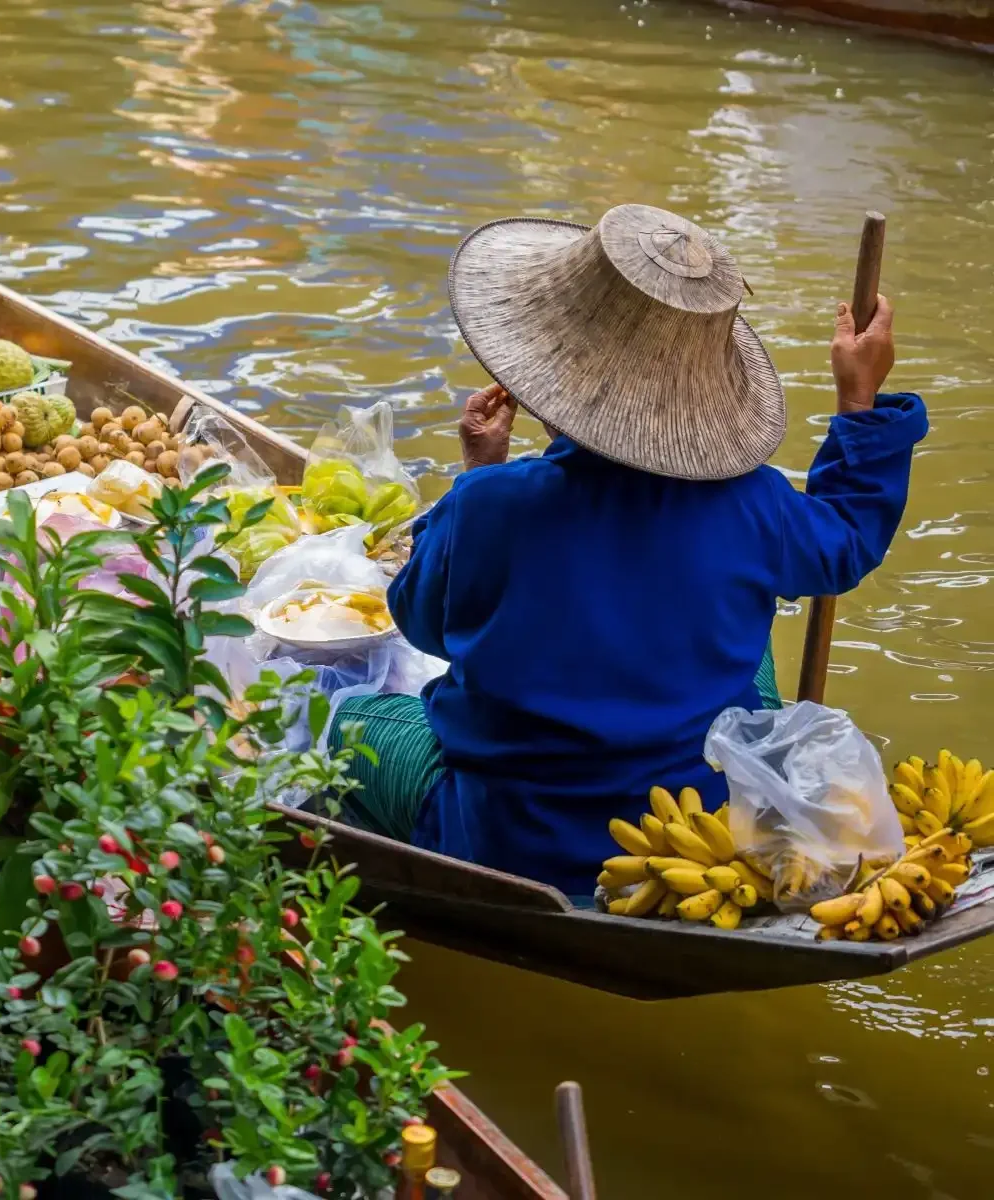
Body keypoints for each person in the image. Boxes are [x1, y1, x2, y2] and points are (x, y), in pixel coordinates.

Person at [327, 203, 927, 898]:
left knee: (349, 720)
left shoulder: (490, 503)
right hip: (689, 824)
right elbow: (845, 542)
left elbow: (426, 625)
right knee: (752, 629)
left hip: (511, 833)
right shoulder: (754, 503)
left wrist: (480, 473)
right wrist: (859, 399)